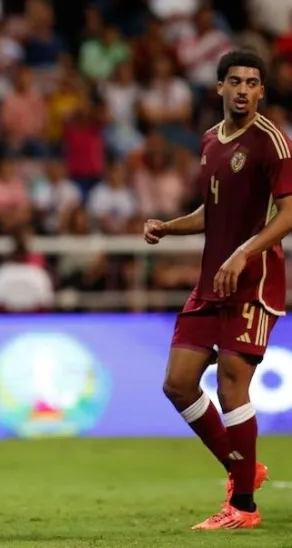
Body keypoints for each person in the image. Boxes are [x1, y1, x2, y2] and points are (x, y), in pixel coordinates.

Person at [144, 50, 291, 530]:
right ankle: (242, 469)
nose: (244, 89)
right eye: (235, 81)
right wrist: (170, 226)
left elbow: (289, 214)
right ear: (220, 88)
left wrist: (244, 253)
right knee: (178, 383)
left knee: (232, 382)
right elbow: (212, 211)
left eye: (253, 82)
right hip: (211, 281)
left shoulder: (272, 142)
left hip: (254, 280)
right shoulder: (210, 142)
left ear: (262, 91)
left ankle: (243, 507)